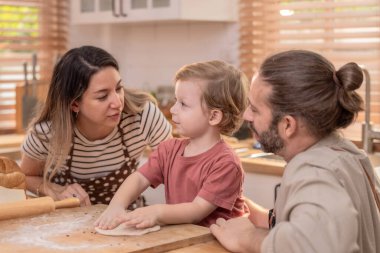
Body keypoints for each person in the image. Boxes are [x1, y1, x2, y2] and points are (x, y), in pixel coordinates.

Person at [210, 50, 380, 253]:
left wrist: (249, 238)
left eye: (255, 109)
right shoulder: (344, 151)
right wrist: (258, 215)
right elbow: (320, 224)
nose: (246, 115)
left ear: (288, 125)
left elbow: (315, 246)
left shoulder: (315, 171)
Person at [94, 60, 249, 230]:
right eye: (176, 100)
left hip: (218, 244)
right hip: (186, 239)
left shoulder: (226, 163)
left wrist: (157, 212)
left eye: (183, 104)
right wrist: (116, 206)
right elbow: (139, 179)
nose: (173, 109)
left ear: (213, 116)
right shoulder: (169, 150)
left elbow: (197, 210)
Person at [20, 45, 172, 207]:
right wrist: (55, 190)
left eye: (118, 88)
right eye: (102, 96)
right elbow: (25, 177)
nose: (117, 102)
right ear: (74, 104)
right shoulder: (47, 133)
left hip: (129, 218)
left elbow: (174, 168)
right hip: (68, 224)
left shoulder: (143, 116)